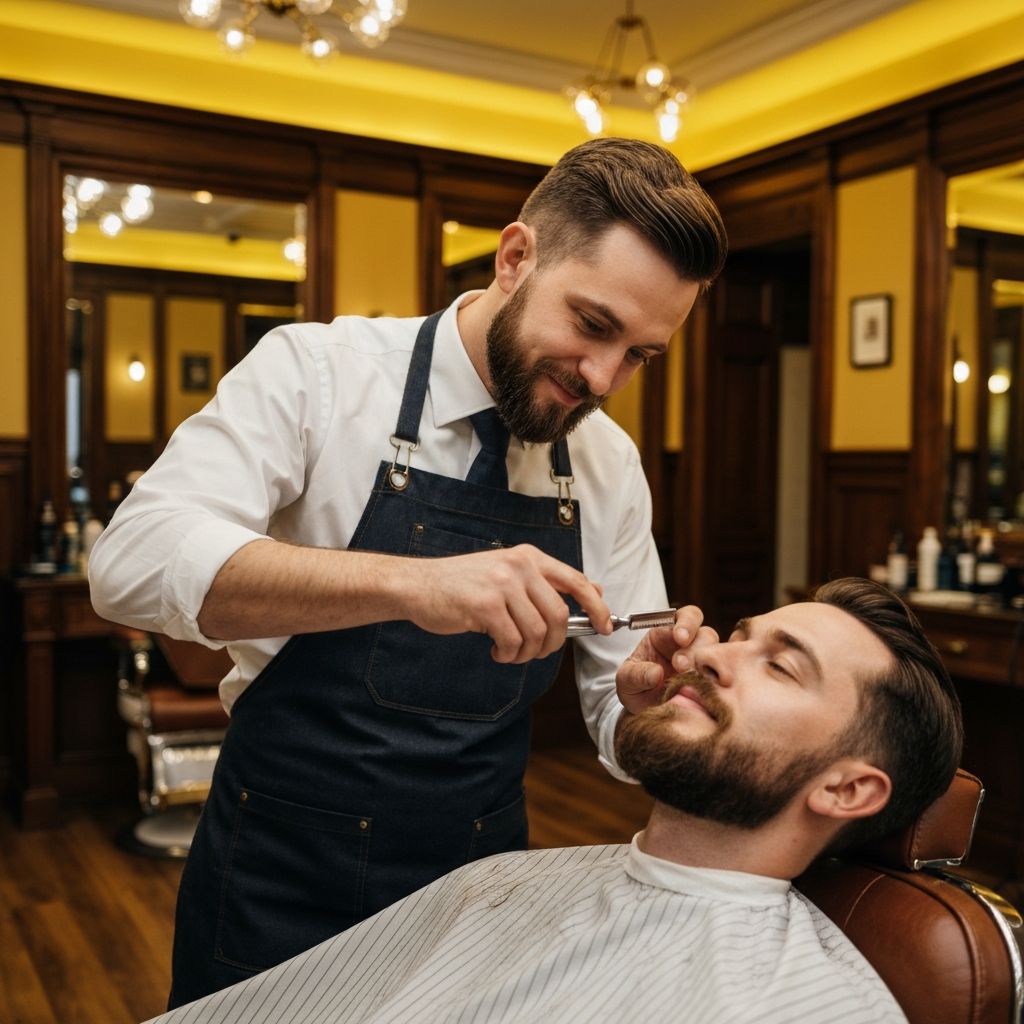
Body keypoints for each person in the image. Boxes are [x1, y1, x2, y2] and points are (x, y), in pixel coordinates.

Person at [88, 137, 729, 1006]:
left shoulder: (607, 465)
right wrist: (413, 583)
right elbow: (131, 561)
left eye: (640, 357)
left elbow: (617, 712)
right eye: (593, 325)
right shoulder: (320, 374)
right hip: (279, 873)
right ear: (515, 258)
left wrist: (647, 706)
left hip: (480, 889)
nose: (602, 378)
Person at [143, 577, 963, 1024]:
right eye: (739, 633)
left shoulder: (794, 1008)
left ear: (848, 788)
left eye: (780, 666)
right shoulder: (493, 885)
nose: (712, 654)